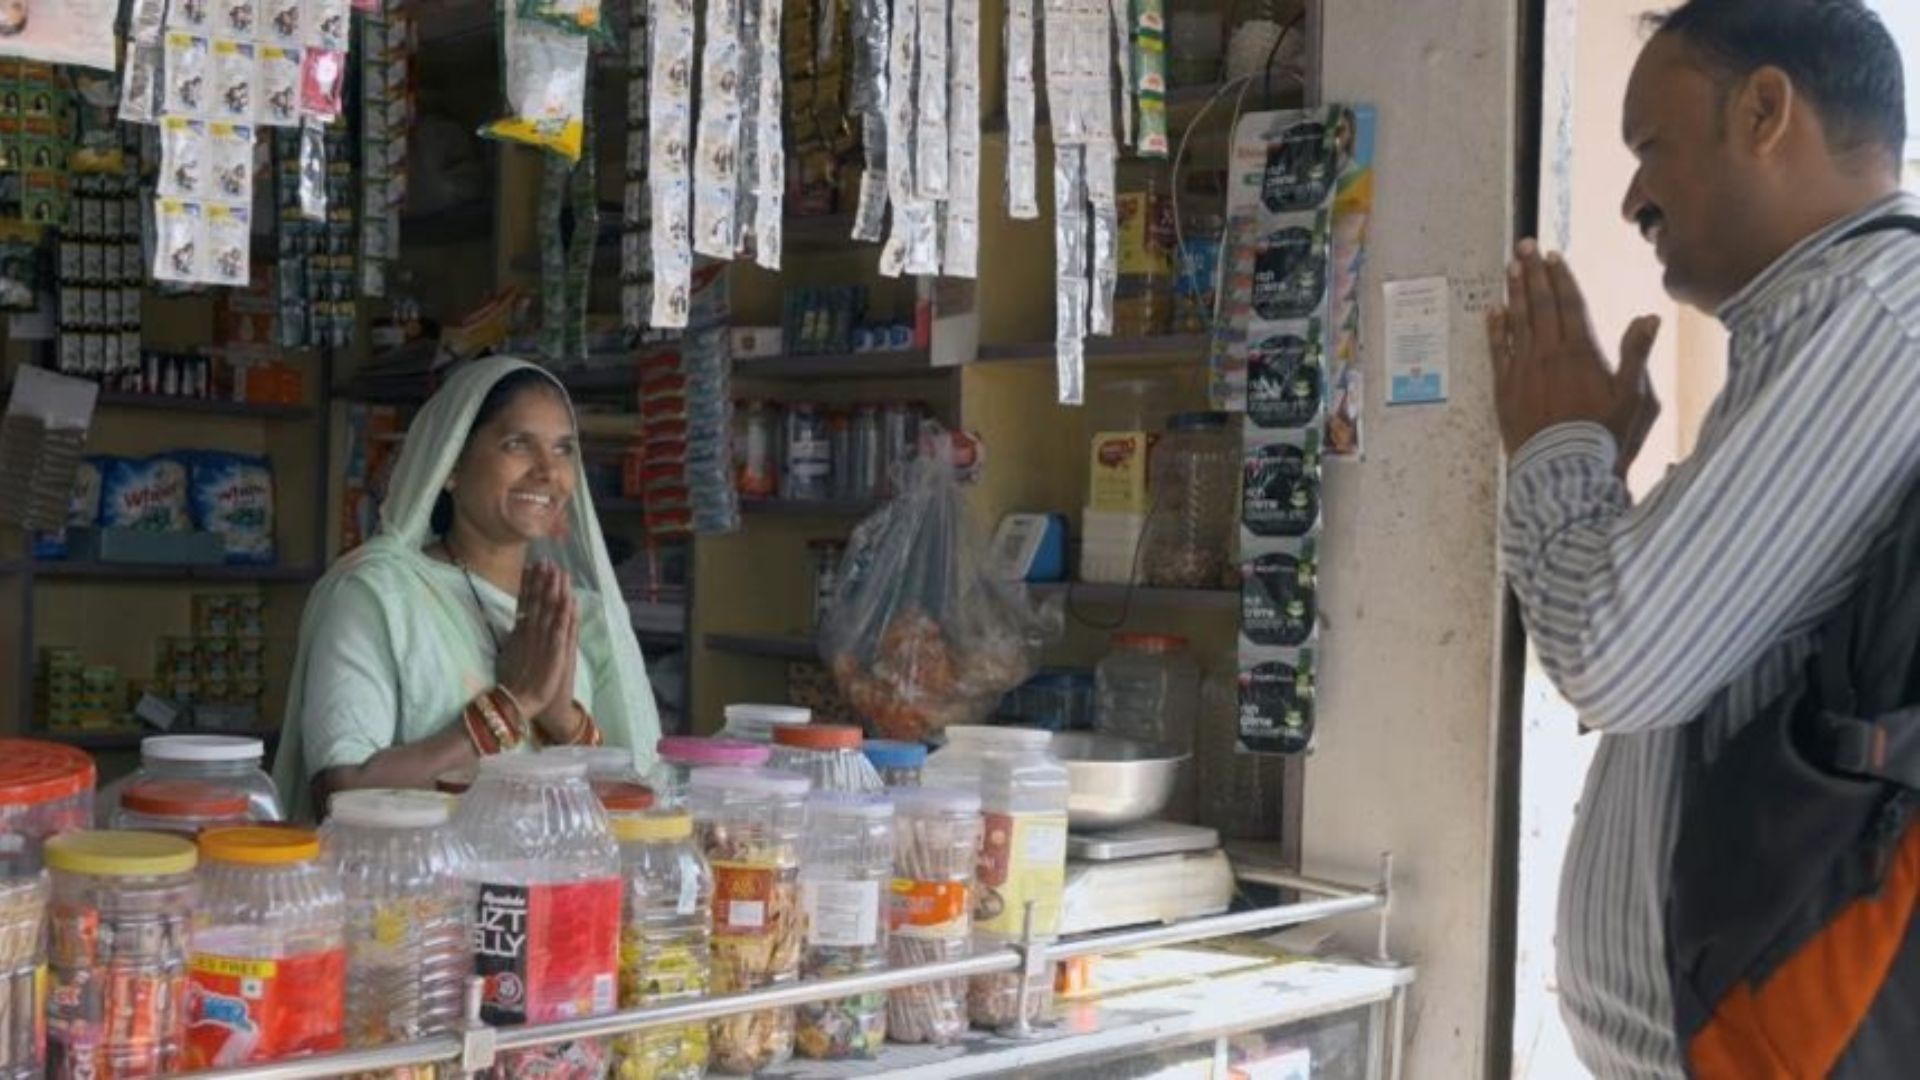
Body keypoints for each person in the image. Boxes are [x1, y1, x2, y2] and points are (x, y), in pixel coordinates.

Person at [1487, 2, 1918, 1076]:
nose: (1634, 196)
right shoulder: (1827, 326)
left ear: (1766, 110)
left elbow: (1616, 658)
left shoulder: (1874, 313)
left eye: (1651, 147)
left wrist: (1557, 450)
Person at [273, 357, 662, 821]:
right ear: (451, 465)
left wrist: (563, 721)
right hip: (411, 888)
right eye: (519, 444)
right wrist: (510, 707)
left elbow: (638, 802)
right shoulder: (377, 594)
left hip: (554, 884)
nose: (547, 471)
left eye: (563, 450)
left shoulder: (580, 614)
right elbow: (341, 794)